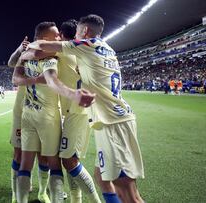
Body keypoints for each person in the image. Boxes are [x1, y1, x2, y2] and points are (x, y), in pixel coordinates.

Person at [27, 14, 145, 203]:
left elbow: (39, 48)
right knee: (102, 178)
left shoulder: (86, 45)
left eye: (78, 31)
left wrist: (26, 47)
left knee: (127, 191)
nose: (76, 35)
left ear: (86, 32)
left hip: (114, 123)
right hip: (109, 120)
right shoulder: (107, 49)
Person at [21, 19, 101, 203]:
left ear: (63, 37)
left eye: (58, 35)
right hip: (78, 112)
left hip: (77, 112)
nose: (56, 38)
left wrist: (25, 48)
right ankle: (76, 200)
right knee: (72, 161)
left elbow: (34, 52)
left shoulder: (64, 50)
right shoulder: (82, 51)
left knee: (68, 161)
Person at [8, 36, 52, 203]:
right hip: (21, 111)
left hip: (44, 112)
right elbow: (11, 63)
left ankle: (42, 192)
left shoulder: (53, 56)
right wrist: (20, 49)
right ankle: (15, 192)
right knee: (18, 154)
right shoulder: (26, 54)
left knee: (44, 155)